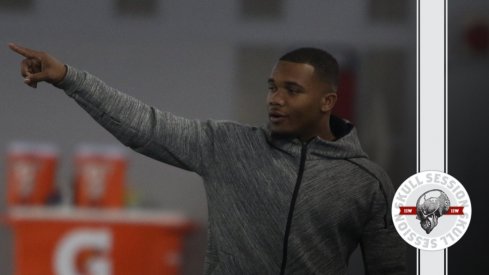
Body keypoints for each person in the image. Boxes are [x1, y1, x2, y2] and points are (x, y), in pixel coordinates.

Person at [9, 43, 407, 274]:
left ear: (327, 101)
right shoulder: (227, 146)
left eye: (291, 90)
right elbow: (144, 126)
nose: (275, 99)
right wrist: (68, 78)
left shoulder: (366, 182)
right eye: (272, 88)